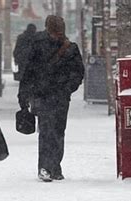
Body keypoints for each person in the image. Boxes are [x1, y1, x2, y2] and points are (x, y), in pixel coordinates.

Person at [18, 15, 85, 182]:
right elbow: (78, 73)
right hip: (55, 96)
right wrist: (68, 88)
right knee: (53, 131)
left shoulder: (40, 46)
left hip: (45, 94)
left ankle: (50, 167)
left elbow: (28, 72)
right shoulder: (70, 48)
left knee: (51, 131)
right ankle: (50, 167)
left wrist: (24, 93)